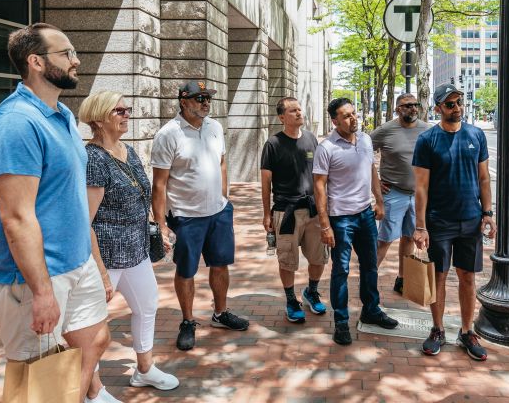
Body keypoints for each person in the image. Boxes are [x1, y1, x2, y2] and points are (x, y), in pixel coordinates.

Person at [0, 23, 118, 403]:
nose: (77, 60)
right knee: (37, 380)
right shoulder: (16, 125)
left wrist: (95, 264)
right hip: (33, 275)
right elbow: (16, 217)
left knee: (95, 339)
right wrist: (41, 292)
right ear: (36, 62)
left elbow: (69, 199)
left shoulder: (63, 117)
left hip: (76, 261)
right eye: (66, 53)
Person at [78, 91, 179, 391]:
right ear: (98, 118)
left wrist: (158, 229)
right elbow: (86, 220)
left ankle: (144, 369)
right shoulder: (93, 158)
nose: (126, 115)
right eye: (118, 111)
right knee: (93, 324)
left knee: (147, 305)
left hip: (136, 250)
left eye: (127, 109)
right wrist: (98, 270)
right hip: (106, 255)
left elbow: (141, 195)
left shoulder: (128, 150)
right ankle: (90, 387)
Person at [151, 81, 249, 352]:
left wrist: (225, 197)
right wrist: (160, 224)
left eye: (208, 98)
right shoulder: (168, 134)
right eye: (199, 98)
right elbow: (159, 184)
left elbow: (222, 162)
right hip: (185, 216)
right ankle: (187, 321)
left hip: (218, 212)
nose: (206, 102)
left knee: (220, 264)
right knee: (186, 271)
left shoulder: (215, 127)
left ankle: (220, 313)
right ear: (184, 101)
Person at [412, 83, 495, 361]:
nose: (456, 107)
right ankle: (437, 329)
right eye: (449, 104)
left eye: (459, 102)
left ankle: (466, 330)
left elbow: (484, 178)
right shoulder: (427, 140)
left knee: (468, 277)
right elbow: (421, 187)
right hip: (439, 221)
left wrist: (488, 213)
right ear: (438, 108)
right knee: (439, 276)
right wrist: (420, 226)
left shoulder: (476, 135)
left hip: (471, 220)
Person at [313, 98, 398, 345]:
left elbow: (372, 170)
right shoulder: (326, 148)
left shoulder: (365, 139)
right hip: (340, 218)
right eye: (346, 115)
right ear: (335, 120)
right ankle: (341, 322)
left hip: (365, 215)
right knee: (341, 270)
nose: (353, 118)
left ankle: (371, 309)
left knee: (370, 266)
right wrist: (325, 225)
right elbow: (319, 187)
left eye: (354, 113)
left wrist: (379, 201)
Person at [260, 97, 328, 323]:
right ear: (282, 117)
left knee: (319, 258)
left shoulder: (311, 139)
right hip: (285, 211)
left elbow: (320, 175)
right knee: (287, 260)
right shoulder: (273, 144)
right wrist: (266, 214)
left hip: (313, 210)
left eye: (299, 109)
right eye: (293, 111)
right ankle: (291, 299)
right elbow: (265, 182)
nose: (299, 113)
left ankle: (311, 291)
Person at [370, 93, 430, 295]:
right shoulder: (386, 130)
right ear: (397, 109)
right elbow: (362, 153)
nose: (413, 109)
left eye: (415, 105)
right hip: (394, 194)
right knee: (384, 240)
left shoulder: (426, 129)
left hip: (419, 196)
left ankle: (402, 279)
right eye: (407, 106)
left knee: (409, 237)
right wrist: (375, 182)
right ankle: (368, 281)